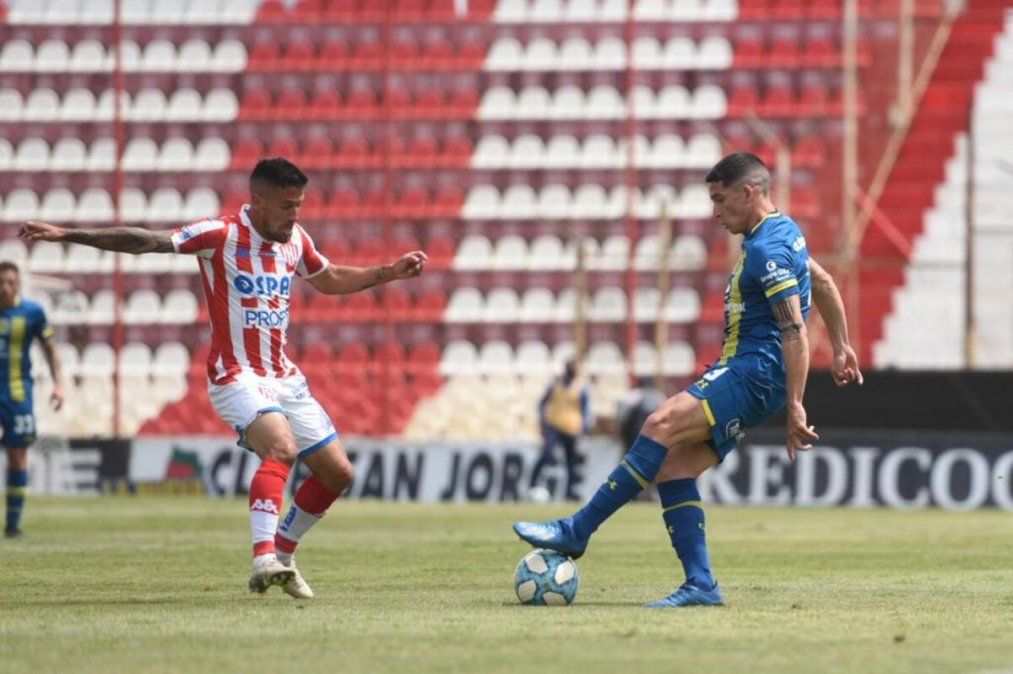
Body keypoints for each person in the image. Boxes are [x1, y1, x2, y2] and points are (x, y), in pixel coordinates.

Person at [18, 158, 427, 598]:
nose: (295, 215)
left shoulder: (295, 241)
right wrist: (68, 234)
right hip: (235, 374)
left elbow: (328, 279)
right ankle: (263, 558)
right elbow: (147, 242)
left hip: (284, 376)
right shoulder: (222, 234)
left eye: (299, 205)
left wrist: (388, 272)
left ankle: (284, 555)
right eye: (287, 206)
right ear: (259, 200)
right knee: (281, 448)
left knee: (338, 475)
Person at [513, 152, 863, 607]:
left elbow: (793, 328)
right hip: (758, 376)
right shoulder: (784, 232)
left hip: (753, 371)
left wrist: (796, 403)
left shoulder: (766, 250)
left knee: (659, 423)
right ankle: (701, 585)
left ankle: (576, 530)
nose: (715, 212)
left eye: (720, 200)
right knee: (675, 468)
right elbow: (825, 283)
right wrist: (841, 345)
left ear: (748, 193)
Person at [0, 262, 64, 538]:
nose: (5, 288)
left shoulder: (32, 313)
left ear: (19, 284)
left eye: (10, 282)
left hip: (17, 393)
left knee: (18, 454)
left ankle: (13, 524)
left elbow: (50, 347)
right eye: (1, 283)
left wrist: (59, 383)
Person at [529, 358, 592, 501]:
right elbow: (541, 404)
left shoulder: (581, 388)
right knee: (547, 456)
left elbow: (586, 410)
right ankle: (532, 486)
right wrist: (543, 424)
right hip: (554, 427)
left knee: (571, 463)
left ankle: (569, 494)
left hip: (572, 430)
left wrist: (584, 428)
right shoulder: (555, 385)